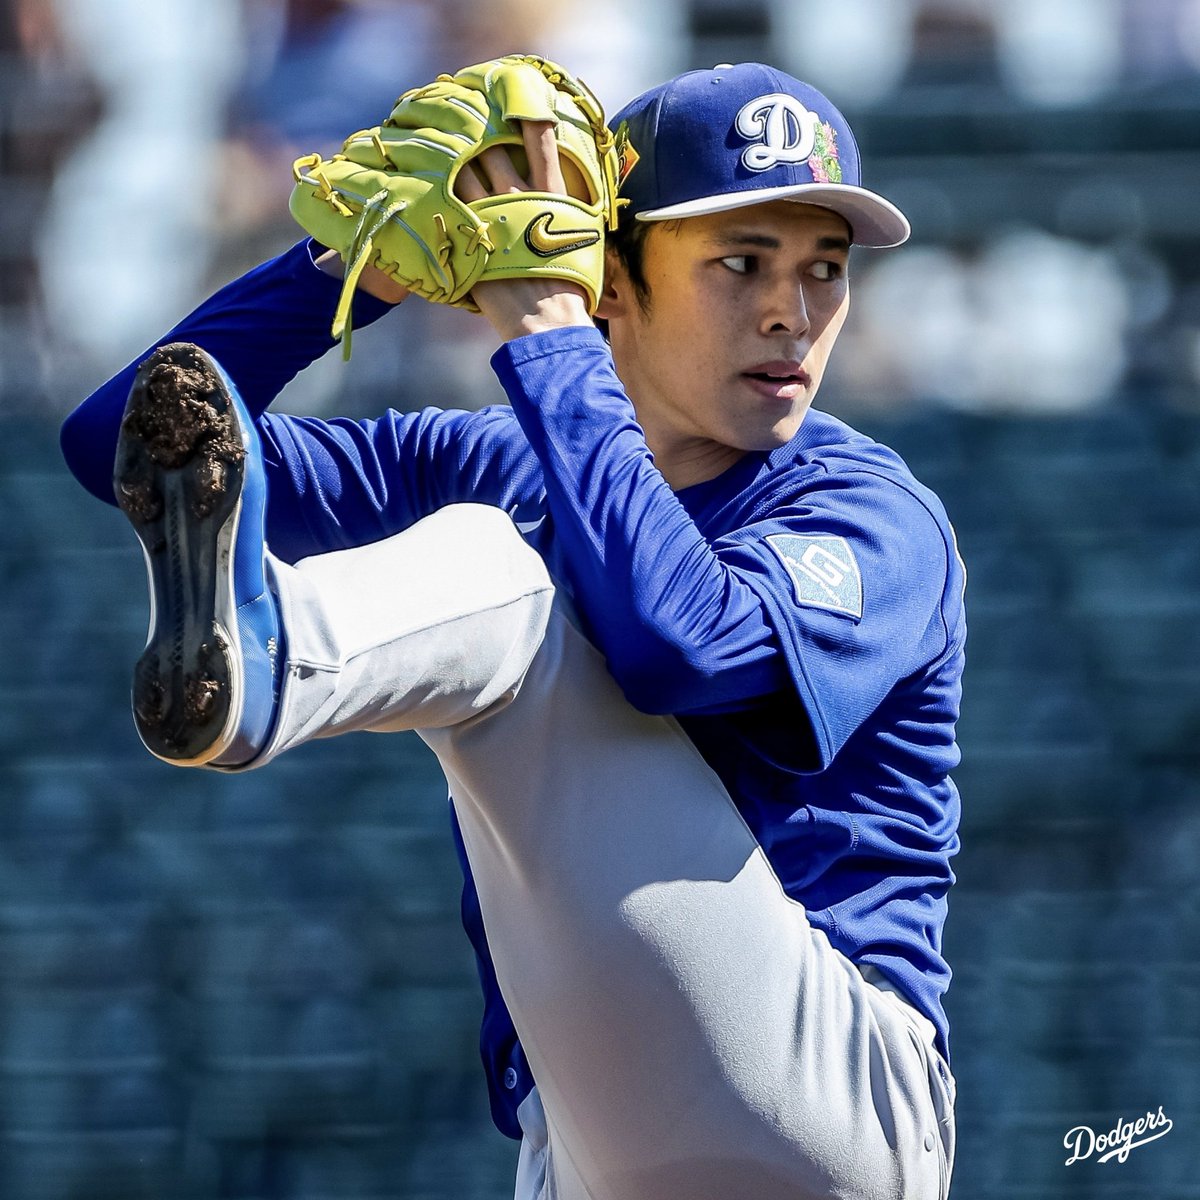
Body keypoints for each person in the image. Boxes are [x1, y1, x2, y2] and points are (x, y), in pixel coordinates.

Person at [62, 62, 963, 1200]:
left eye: (823, 270)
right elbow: (125, 448)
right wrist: (356, 267)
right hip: (587, 1142)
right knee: (499, 544)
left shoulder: (867, 509)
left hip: (833, 1092)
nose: (793, 309)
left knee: (509, 577)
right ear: (613, 281)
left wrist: (542, 329)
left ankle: (275, 650)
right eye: (741, 262)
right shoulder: (496, 456)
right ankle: (266, 638)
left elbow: (676, 649)